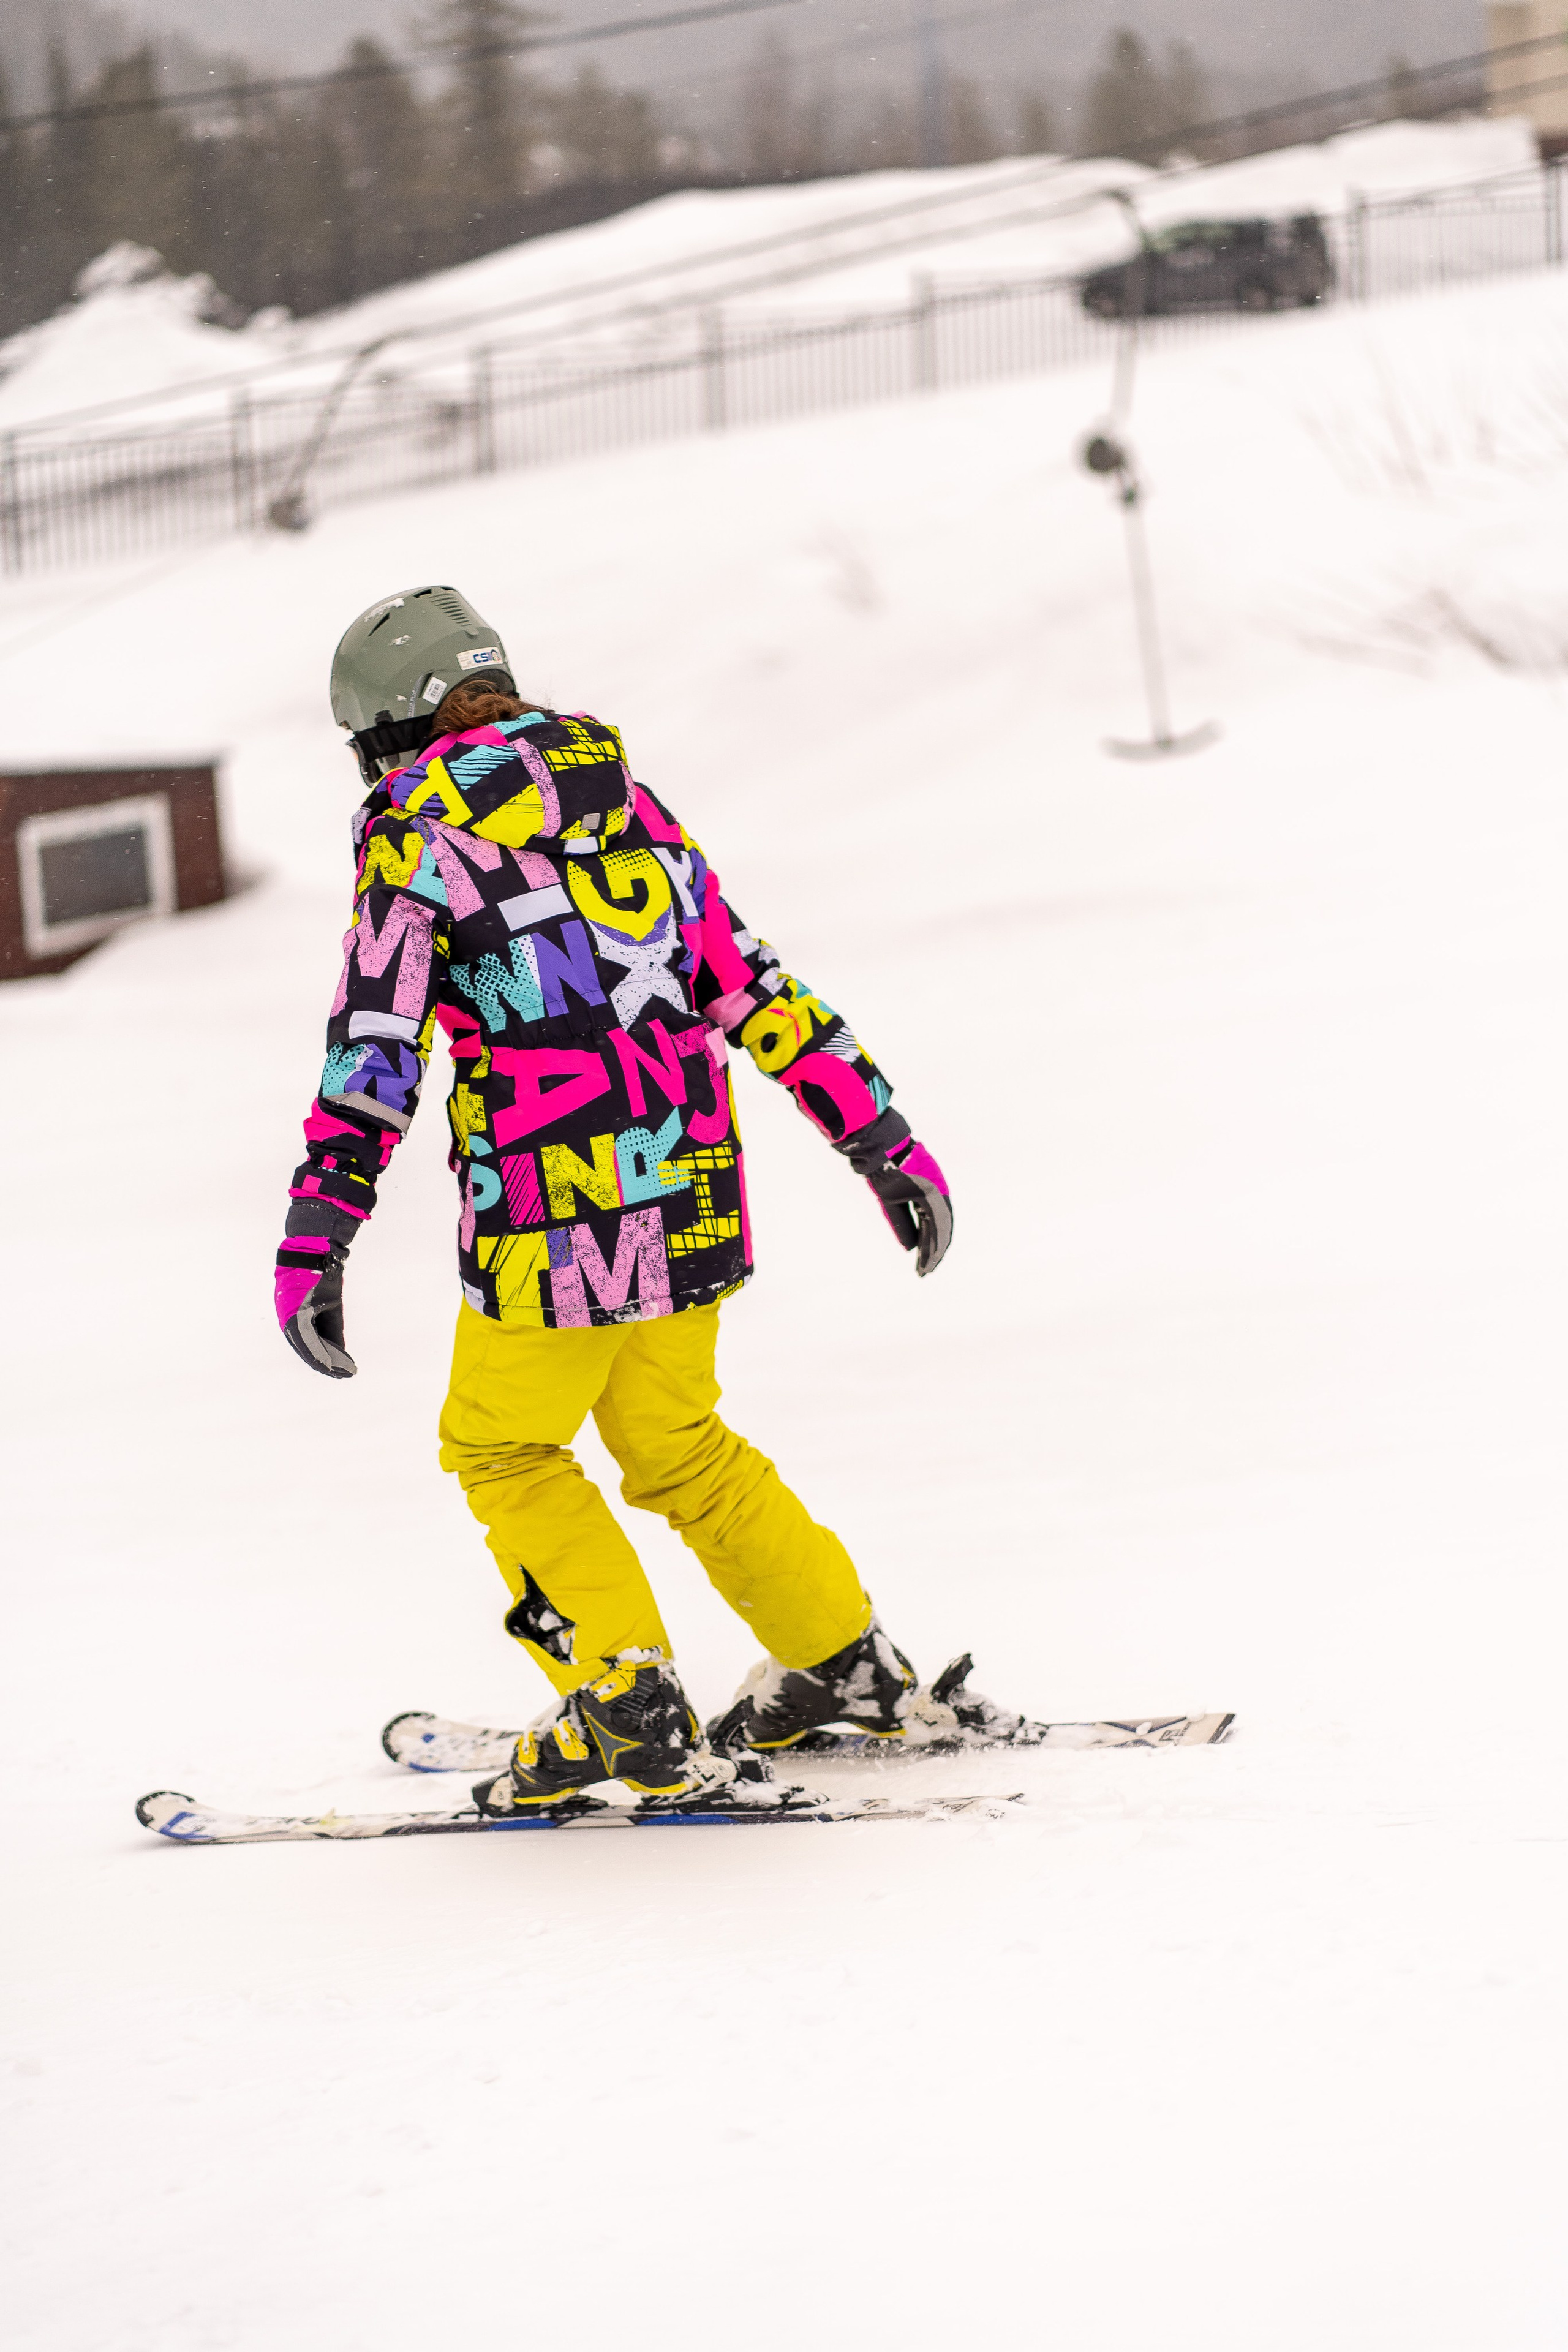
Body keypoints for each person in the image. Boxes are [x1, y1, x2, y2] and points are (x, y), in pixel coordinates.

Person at [275, 583, 995, 1818]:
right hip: (686, 1196)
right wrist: (878, 1136)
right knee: (679, 1446)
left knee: (502, 1448)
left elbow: (376, 1047)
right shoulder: (626, 799)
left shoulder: (412, 833)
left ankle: (621, 1703)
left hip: (548, 1221)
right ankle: (844, 1668)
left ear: (391, 727)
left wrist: (319, 1228)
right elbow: (748, 984)